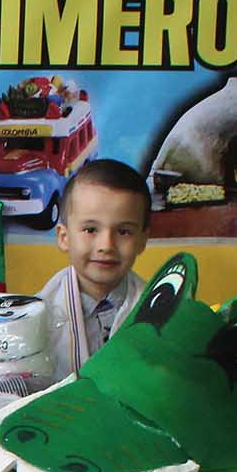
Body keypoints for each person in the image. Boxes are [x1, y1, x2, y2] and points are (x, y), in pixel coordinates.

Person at [37, 158, 152, 381]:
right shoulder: (38, 317)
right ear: (64, 237)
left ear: (142, 240)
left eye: (124, 232)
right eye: (91, 229)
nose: (106, 245)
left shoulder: (159, 314)